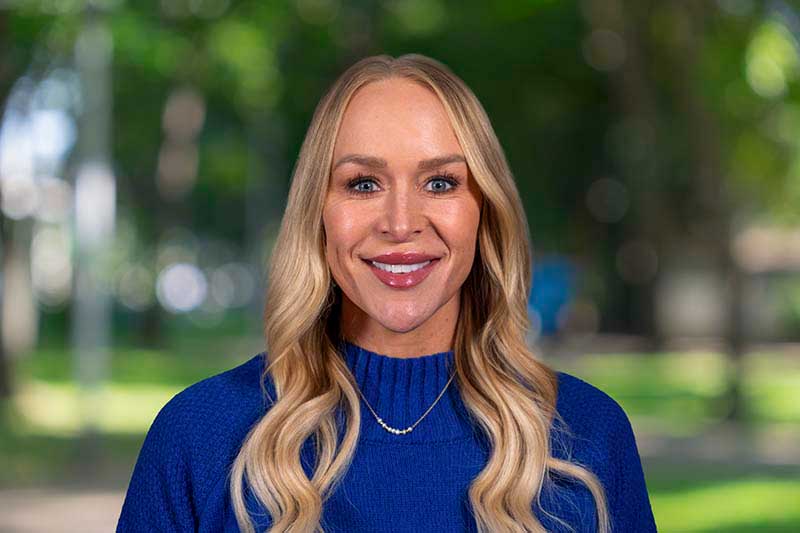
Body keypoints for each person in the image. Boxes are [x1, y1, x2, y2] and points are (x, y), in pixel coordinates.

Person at [116, 53, 658, 533]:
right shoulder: (199, 437)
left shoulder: (587, 436)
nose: (401, 223)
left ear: (485, 212)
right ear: (318, 214)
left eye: (440, 183)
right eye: (363, 184)